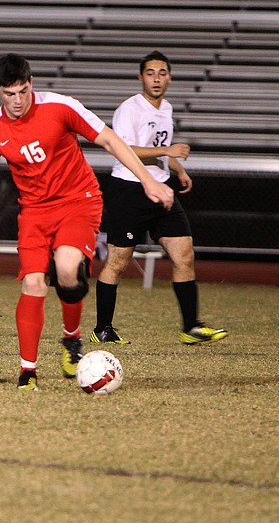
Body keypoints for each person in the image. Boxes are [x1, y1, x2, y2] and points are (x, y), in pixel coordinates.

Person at [0, 53, 174, 391]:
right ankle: (28, 372)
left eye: (23, 91)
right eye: (10, 94)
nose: (18, 100)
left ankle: (71, 339)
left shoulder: (61, 106)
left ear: (31, 83)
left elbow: (110, 139)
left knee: (67, 269)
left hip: (77, 202)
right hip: (34, 212)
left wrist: (148, 181)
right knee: (34, 283)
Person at [92, 50, 228, 346]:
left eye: (162, 73)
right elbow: (123, 149)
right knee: (118, 261)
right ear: (141, 77)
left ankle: (190, 326)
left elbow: (158, 147)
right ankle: (102, 328)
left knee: (184, 255)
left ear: (170, 77)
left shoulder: (165, 108)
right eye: (150, 73)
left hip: (162, 188)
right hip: (129, 190)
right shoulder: (130, 108)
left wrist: (177, 168)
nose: (156, 78)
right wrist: (168, 152)